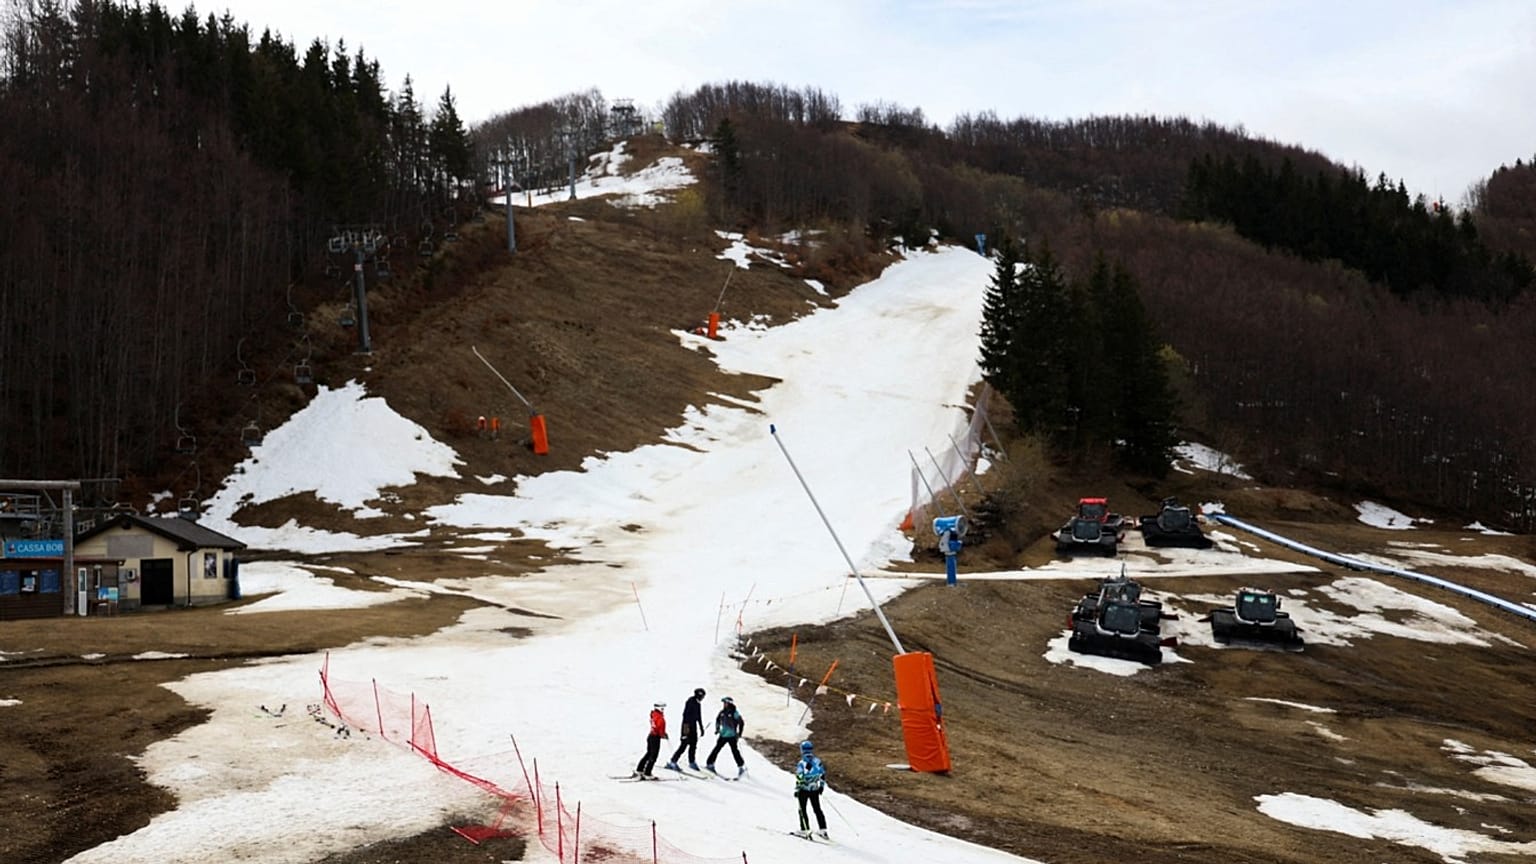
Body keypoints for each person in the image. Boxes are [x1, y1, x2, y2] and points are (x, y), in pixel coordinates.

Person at [794, 740, 828, 839]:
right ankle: (823, 829)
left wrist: (797, 789)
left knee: (802, 809)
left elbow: (800, 777)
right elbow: (822, 774)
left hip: (804, 789)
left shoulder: (802, 763)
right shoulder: (817, 761)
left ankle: (804, 829)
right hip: (815, 789)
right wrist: (821, 786)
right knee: (817, 809)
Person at [665, 687, 706, 771]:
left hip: (693, 726)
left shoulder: (698, 704)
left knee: (693, 744)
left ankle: (692, 762)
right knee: (684, 745)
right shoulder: (690, 702)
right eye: (702, 696)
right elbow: (685, 716)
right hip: (686, 726)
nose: (702, 698)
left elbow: (699, 716)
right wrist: (685, 733)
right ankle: (673, 761)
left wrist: (701, 727)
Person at [704, 696, 746, 777]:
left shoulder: (734, 712)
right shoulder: (722, 712)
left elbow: (741, 723)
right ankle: (710, 764)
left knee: (735, 751)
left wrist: (739, 733)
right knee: (717, 749)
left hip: (732, 736)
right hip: (723, 735)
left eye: (725, 703)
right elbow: (717, 720)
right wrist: (717, 729)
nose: (724, 704)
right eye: (724, 703)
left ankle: (741, 767)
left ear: (729, 703)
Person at [631, 702, 667, 779]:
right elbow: (660, 729)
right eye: (662, 708)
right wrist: (663, 735)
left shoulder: (654, 714)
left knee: (648, 754)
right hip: (655, 738)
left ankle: (639, 769)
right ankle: (647, 773)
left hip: (651, 736)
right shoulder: (660, 718)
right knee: (653, 756)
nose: (663, 710)